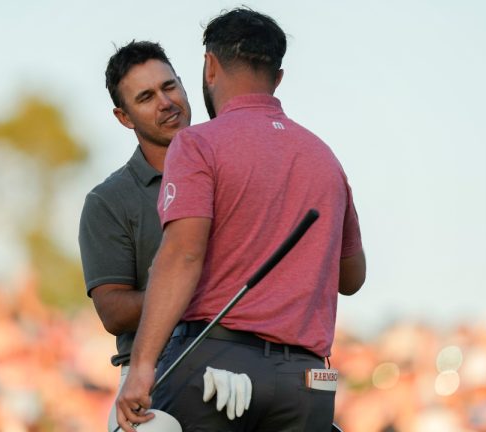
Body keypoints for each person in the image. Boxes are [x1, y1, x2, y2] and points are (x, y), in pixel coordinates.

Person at [117, 8, 366, 432]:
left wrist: (141, 366)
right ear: (278, 77)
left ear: (209, 66)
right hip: (306, 383)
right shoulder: (325, 158)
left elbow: (183, 255)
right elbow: (352, 277)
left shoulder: (197, 144)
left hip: (217, 365)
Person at [77, 40, 191, 432]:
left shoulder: (233, 169)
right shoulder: (108, 200)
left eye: (169, 86)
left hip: (237, 366)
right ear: (124, 117)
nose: (165, 102)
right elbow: (113, 310)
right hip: (150, 381)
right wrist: (192, 283)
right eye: (146, 97)